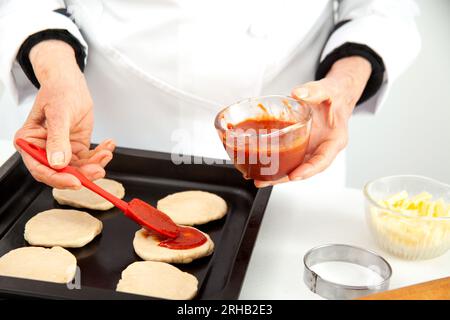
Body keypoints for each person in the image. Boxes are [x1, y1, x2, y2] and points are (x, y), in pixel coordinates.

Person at [0, 0, 420, 189]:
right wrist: (57, 72)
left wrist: (344, 85)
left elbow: (384, 8)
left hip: (298, 141)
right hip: (119, 141)